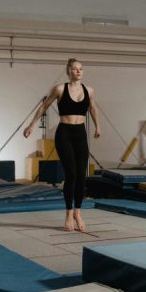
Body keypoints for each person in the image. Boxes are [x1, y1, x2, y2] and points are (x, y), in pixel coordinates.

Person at [24, 58, 100, 231]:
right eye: (74, 69)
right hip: (64, 133)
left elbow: (93, 108)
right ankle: (68, 213)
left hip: (80, 133)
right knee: (71, 174)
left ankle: (78, 212)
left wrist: (98, 126)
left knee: (81, 175)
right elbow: (44, 107)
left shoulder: (89, 90)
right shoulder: (59, 89)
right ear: (68, 71)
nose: (78, 71)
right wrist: (31, 125)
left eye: (81, 68)